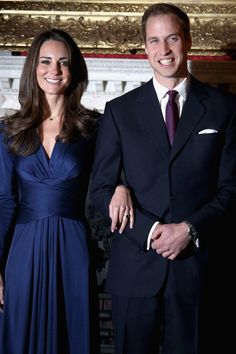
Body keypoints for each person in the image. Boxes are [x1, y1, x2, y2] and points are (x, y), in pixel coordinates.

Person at [90, 3, 236, 354]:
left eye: (171, 38)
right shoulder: (119, 111)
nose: (164, 50)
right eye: (154, 41)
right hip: (135, 271)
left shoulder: (224, 108)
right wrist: (152, 232)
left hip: (198, 272)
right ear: (145, 48)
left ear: (187, 40)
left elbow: (232, 188)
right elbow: (100, 190)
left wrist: (189, 229)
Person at [0, 28, 133, 354]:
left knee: (71, 336)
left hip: (73, 245)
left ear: (74, 71)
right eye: (46, 61)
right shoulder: (9, 131)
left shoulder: (93, 128)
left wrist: (122, 186)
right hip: (22, 249)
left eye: (63, 62)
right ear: (33, 68)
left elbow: (115, 173)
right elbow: (3, 202)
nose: (54, 70)